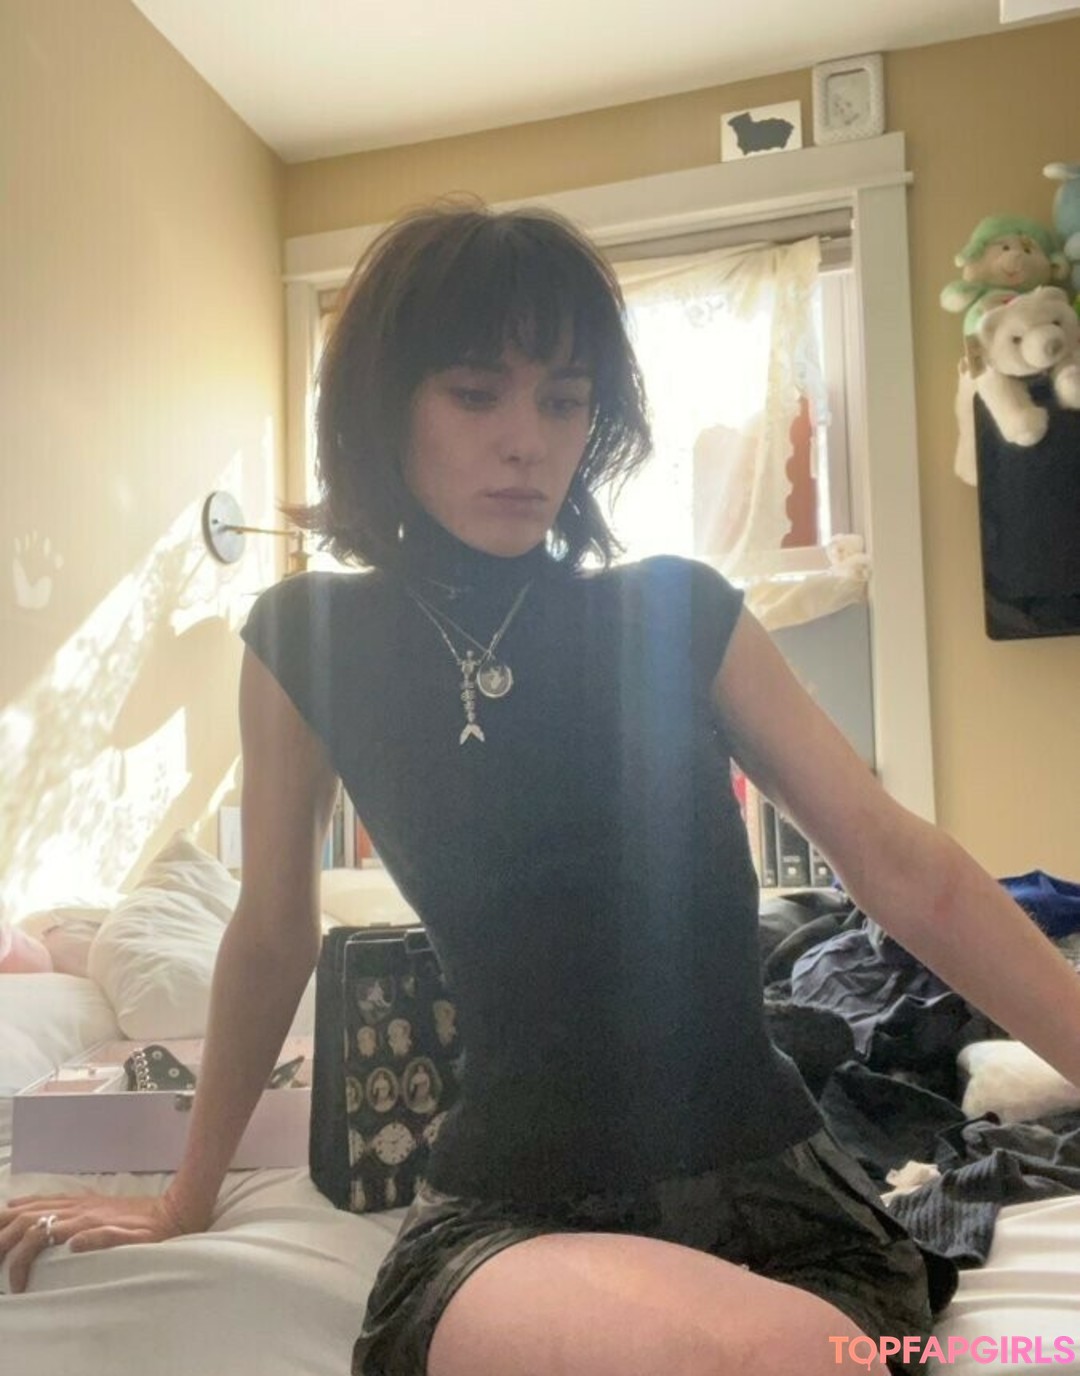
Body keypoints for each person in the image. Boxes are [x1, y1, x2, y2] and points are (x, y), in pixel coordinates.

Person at [4, 196, 1080, 1376]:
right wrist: (186, 1195)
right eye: (477, 394)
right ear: (385, 405)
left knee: (822, 1352)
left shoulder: (677, 608)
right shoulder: (305, 638)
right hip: (514, 1220)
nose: (528, 440)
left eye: (564, 400)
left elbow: (903, 865)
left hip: (781, 1200)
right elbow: (270, 934)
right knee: (779, 1357)